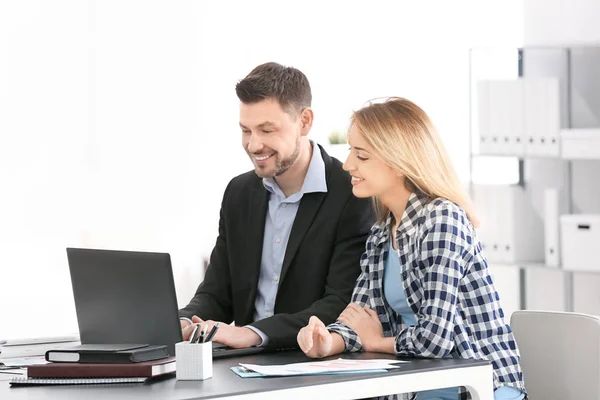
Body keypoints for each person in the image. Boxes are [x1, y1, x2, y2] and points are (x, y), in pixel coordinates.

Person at [297, 97, 527, 400]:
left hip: (476, 389)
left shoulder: (443, 219)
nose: (348, 164)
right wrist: (329, 341)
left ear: (399, 163)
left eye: (362, 156)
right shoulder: (381, 232)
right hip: (420, 385)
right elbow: (361, 318)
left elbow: (435, 340)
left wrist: (376, 342)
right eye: (351, 151)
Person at [178, 62, 374, 350]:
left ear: (304, 121)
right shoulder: (239, 193)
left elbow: (341, 302)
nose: (254, 145)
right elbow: (217, 294)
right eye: (246, 131)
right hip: (243, 367)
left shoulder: (352, 193)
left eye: (267, 130)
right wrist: (183, 320)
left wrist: (252, 334)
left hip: (313, 363)